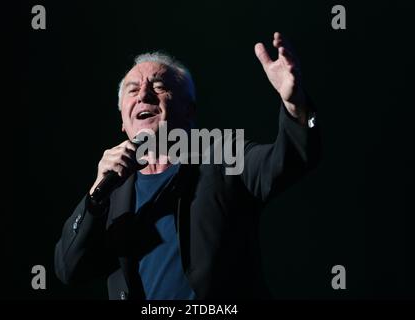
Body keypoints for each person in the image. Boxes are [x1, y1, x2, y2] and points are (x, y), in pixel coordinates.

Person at [54, 32, 320, 300]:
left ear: (189, 111)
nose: (143, 95)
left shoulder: (221, 156)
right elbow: (69, 269)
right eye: (133, 90)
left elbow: (288, 160)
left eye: (158, 86)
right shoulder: (111, 193)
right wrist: (95, 195)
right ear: (123, 120)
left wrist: (295, 104)